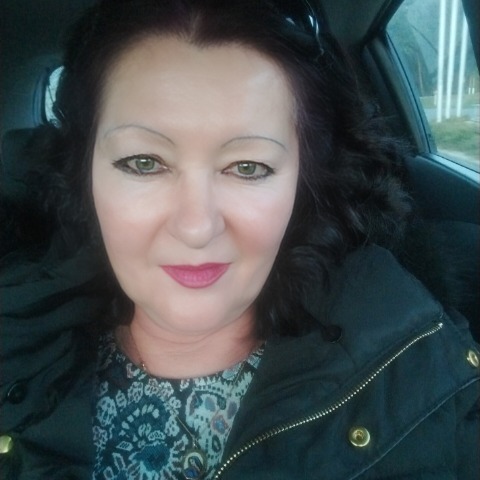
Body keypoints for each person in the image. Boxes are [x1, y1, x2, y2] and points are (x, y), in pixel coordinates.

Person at [1, 0, 479, 479]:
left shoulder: (423, 377)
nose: (196, 226)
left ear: (303, 183)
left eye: (248, 167)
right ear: (84, 174)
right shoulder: (18, 340)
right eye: (143, 162)